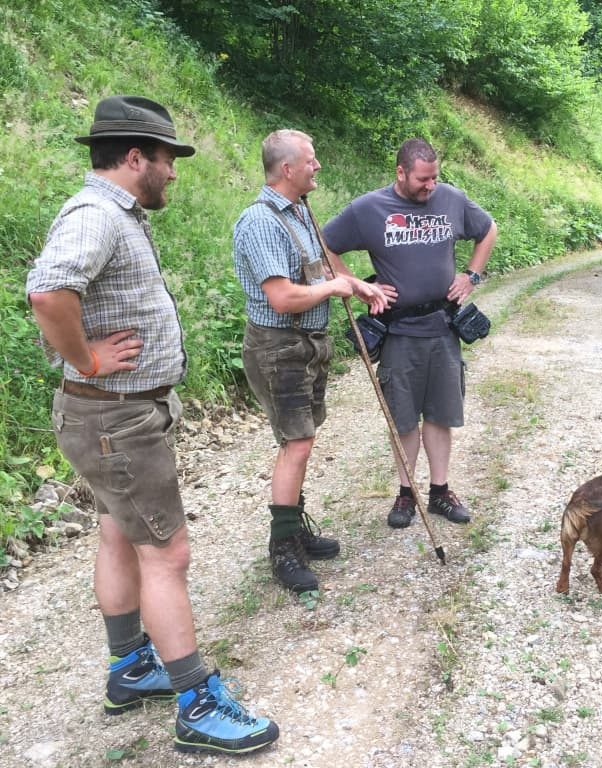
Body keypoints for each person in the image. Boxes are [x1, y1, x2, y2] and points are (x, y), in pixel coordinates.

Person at [25, 95, 278, 755]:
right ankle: (197, 704)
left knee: (118, 533)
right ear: (135, 156)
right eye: (167, 159)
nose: (172, 172)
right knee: (167, 554)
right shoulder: (96, 214)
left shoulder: (113, 213)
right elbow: (50, 292)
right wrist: (86, 358)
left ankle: (130, 668)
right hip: (117, 420)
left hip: (112, 418)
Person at [233, 129, 391, 593]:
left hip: (307, 343)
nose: (318, 165)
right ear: (287, 169)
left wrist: (356, 285)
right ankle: (282, 548)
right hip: (279, 344)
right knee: (296, 442)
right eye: (311, 159)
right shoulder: (261, 222)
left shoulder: (300, 212)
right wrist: (336, 288)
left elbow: (319, 267)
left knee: (303, 439)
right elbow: (281, 297)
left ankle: (294, 528)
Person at [322, 138, 497, 529]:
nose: (430, 186)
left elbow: (487, 230)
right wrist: (356, 285)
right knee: (402, 418)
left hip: (442, 328)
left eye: (435, 178)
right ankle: (406, 495)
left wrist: (471, 276)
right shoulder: (369, 209)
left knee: (441, 414)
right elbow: (326, 246)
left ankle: (440, 492)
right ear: (400, 172)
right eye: (422, 179)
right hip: (398, 331)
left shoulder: (451, 198)